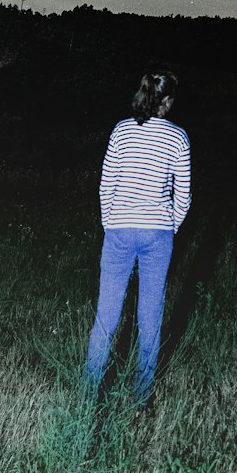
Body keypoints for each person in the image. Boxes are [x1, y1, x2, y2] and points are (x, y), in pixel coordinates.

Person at [83, 71, 191, 408]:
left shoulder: (122, 130)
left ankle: (88, 392)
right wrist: (169, 226)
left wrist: (110, 223)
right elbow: (183, 195)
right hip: (157, 232)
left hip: (120, 229)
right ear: (168, 100)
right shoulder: (178, 137)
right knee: (150, 315)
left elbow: (106, 185)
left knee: (107, 313)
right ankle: (142, 396)